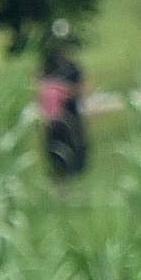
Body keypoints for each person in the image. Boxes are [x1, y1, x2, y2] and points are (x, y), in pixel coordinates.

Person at [37, 30, 89, 182]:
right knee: (55, 148)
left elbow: (80, 90)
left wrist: (61, 90)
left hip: (71, 113)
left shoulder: (73, 69)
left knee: (74, 144)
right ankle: (58, 174)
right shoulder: (48, 67)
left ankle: (74, 174)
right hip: (53, 118)